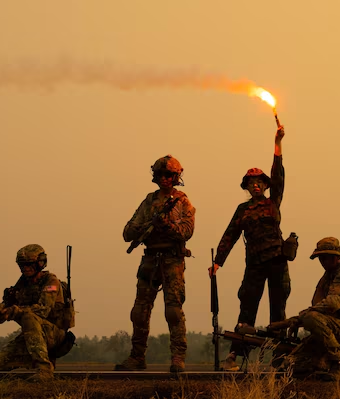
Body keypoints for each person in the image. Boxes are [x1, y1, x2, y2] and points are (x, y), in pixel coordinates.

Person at [209, 125, 295, 371]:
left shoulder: (273, 201)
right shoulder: (243, 210)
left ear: (265, 185)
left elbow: (278, 175)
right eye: (251, 183)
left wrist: (277, 144)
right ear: (246, 187)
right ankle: (235, 357)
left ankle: (279, 360)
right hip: (254, 264)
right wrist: (218, 263)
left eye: (259, 182)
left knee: (278, 311)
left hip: (277, 261)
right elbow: (230, 235)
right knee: (247, 307)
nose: (255, 186)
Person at [115, 155, 195, 373]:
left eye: (169, 175)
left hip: (172, 260)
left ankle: (178, 357)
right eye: (160, 175)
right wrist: (145, 228)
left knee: (173, 311)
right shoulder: (149, 201)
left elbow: (187, 231)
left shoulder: (182, 201)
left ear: (176, 176)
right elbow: (128, 231)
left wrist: (166, 225)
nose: (164, 179)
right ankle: (137, 356)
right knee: (140, 311)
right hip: (150, 259)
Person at [279, 237, 340, 381]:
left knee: (310, 317)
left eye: (326, 257)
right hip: (332, 331)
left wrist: (302, 317)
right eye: (321, 258)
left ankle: (338, 362)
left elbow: (331, 304)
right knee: (291, 364)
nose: (323, 261)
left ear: (336, 258)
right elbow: (317, 305)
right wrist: (295, 321)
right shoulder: (327, 277)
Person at [0, 244, 75, 382]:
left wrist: (14, 311)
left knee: (29, 316)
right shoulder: (23, 284)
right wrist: (2, 311)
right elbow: (11, 306)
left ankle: (44, 370)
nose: (26, 268)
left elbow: (43, 310)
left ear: (40, 263)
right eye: (22, 265)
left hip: (55, 334)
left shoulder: (51, 282)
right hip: (34, 335)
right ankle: (30, 373)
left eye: (30, 265)